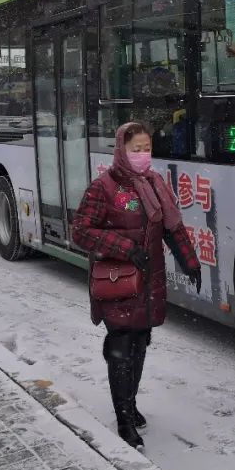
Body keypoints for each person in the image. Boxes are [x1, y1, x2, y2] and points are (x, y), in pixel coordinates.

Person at [71, 122, 202, 450]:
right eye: (135, 149)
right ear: (121, 150)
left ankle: (130, 401)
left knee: (140, 341)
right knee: (120, 347)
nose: (142, 155)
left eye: (146, 148)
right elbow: (81, 231)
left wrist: (190, 261)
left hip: (149, 281)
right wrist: (125, 247)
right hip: (119, 281)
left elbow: (172, 228)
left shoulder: (155, 184)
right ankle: (124, 418)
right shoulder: (104, 187)